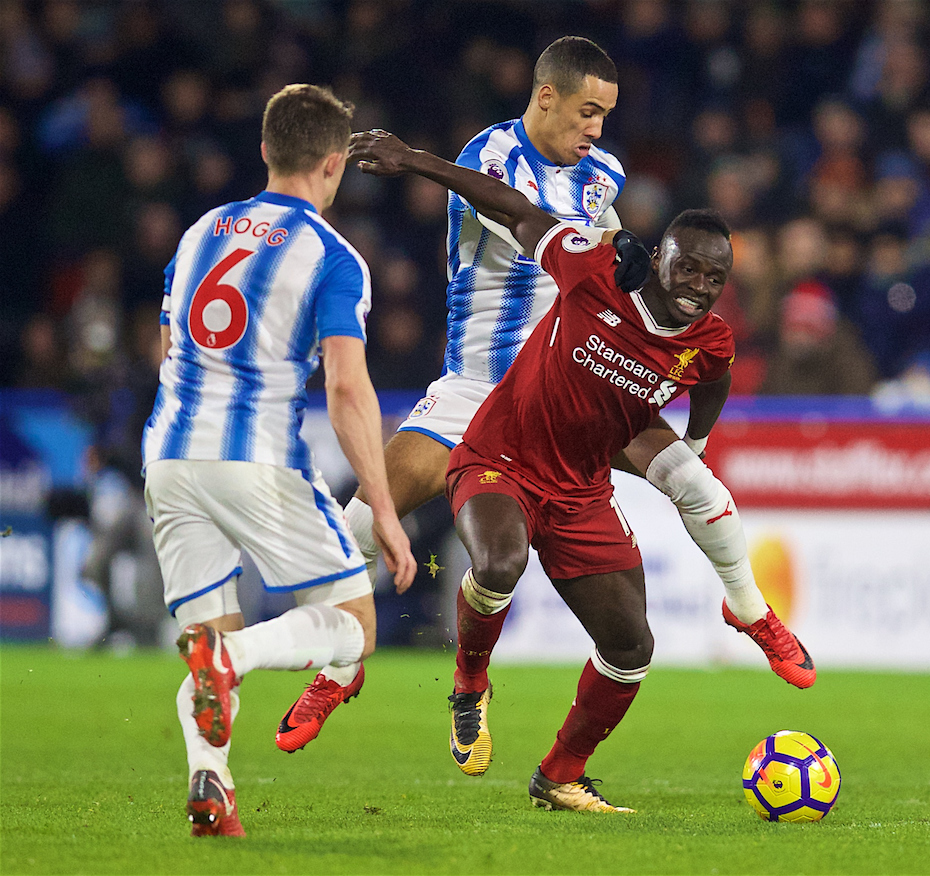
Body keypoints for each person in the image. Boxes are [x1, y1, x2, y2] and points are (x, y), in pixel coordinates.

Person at [278, 36, 810, 754]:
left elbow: (612, 251)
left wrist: (624, 247)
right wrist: (417, 161)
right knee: (360, 527)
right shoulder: (490, 157)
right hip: (480, 386)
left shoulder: (603, 174)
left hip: (574, 376)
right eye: (587, 111)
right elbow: (516, 217)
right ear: (546, 96)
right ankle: (342, 669)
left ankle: (747, 608)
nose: (596, 128)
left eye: (606, 115)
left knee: (692, 476)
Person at [349, 130, 816, 812]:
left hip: (580, 486)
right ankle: (469, 682)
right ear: (659, 258)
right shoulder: (589, 267)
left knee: (632, 646)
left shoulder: (708, 338)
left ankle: (561, 774)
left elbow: (715, 375)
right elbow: (511, 207)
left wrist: (701, 438)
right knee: (498, 563)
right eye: (688, 270)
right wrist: (413, 159)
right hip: (502, 453)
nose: (698, 289)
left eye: (714, 280)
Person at [141, 84, 417, 837]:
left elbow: (168, 348)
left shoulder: (198, 233)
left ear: (265, 149)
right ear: (336, 164)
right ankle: (230, 664)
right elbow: (347, 385)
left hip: (168, 454)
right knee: (352, 628)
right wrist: (384, 509)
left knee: (208, 633)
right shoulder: (333, 255)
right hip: (256, 455)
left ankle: (212, 786)